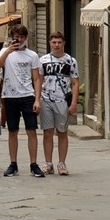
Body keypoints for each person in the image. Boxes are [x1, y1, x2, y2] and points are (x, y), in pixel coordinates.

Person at [0, 25, 44, 178]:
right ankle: (13, 163)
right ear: (12, 37)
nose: (19, 39)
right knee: (12, 131)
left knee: (31, 130)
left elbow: (36, 78)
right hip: (10, 96)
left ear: (26, 38)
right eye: (16, 36)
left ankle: (33, 164)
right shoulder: (5, 52)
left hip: (27, 95)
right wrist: (8, 51)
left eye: (22, 37)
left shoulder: (32, 55)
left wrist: (37, 99)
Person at [38, 32, 80, 176]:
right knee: (47, 132)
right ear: (50, 43)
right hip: (45, 99)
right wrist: (37, 99)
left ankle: (61, 163)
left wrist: (74, 103)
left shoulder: (71, 61)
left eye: (59, 42)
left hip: (62, 100)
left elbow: (75, 82)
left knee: (62, 132)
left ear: (63, 43)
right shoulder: (42, 60)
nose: (56, 45)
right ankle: (48, 163)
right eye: (54, 42)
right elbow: (38, 81)